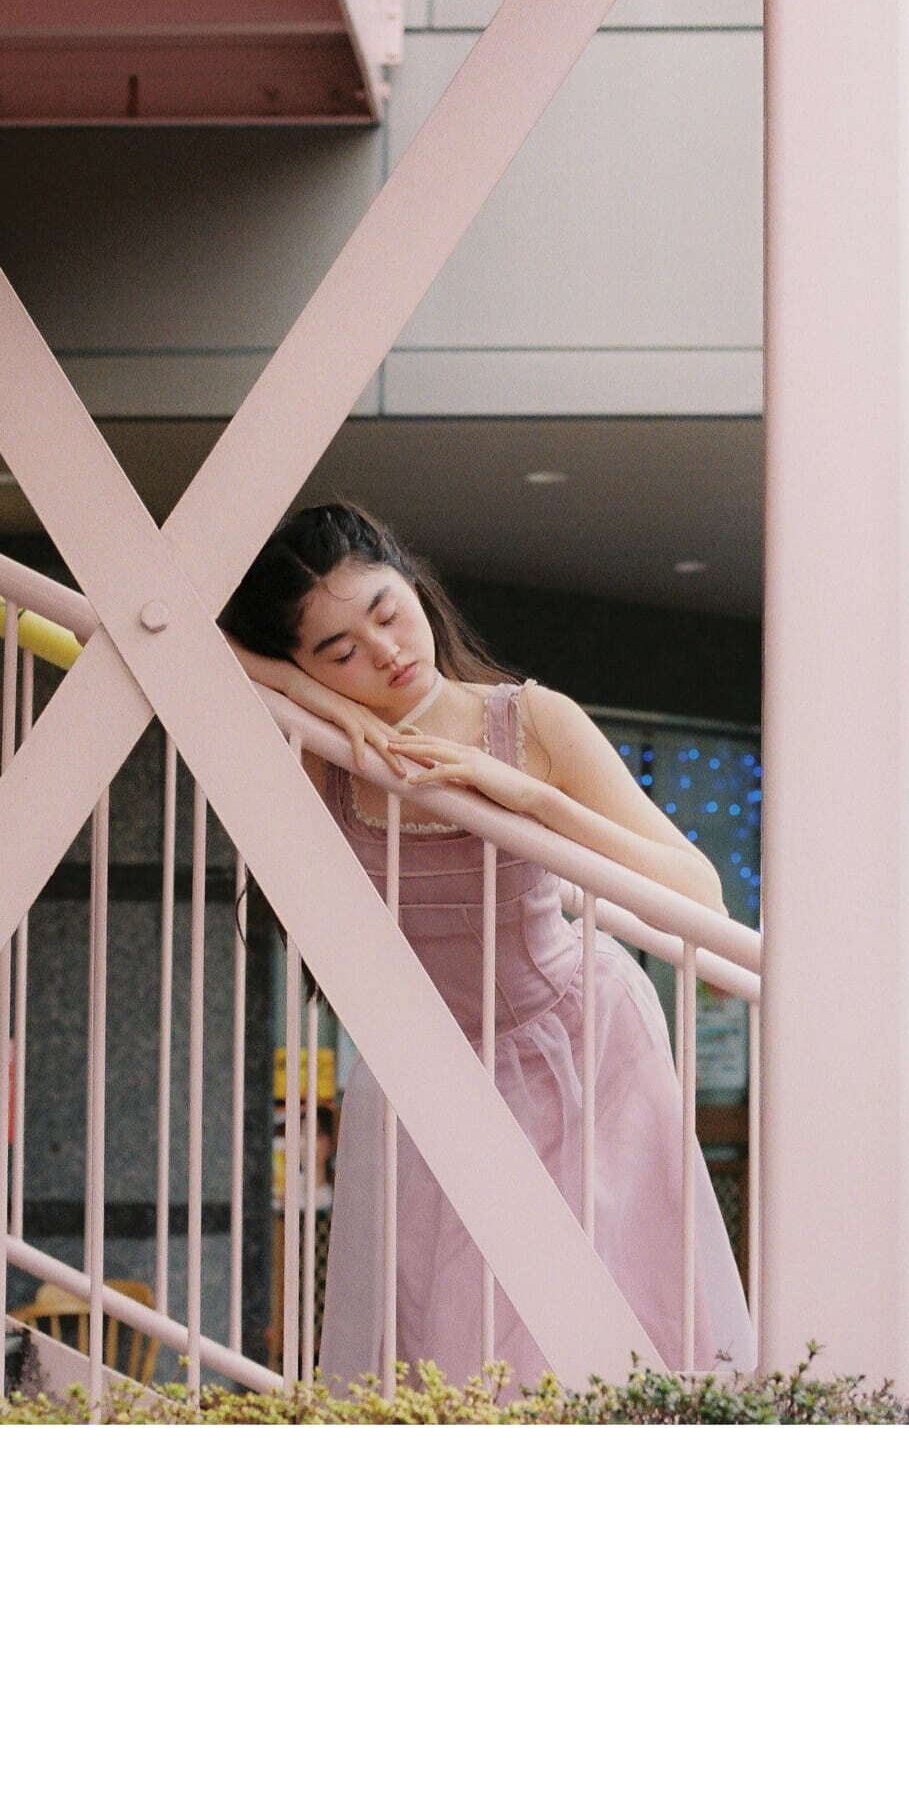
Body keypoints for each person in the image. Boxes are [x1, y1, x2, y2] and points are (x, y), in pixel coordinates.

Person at [221, 500, 757, 1391]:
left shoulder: (530, 720)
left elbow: (700, 898)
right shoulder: (322, 752)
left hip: (580, 1055)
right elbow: (167, 636)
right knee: (456, 1357)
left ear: (413, 584)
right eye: (339, 650)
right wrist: (314, 703)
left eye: (387, 612)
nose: (384, 652)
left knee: (585, 1347)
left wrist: (531, 803)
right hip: (429, 1074)